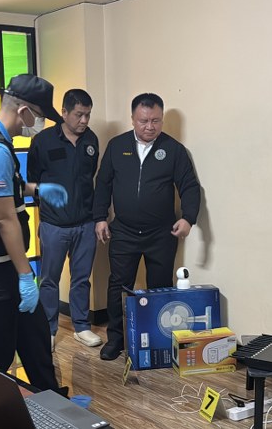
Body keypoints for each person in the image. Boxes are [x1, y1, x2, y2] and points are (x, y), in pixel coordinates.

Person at [0, 74, 68, 394]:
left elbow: (5, 187)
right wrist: (24, 275)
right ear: (24, 112)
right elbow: (4, 218)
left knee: (34, 338)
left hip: (6, 266)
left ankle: (52, 400)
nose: (40, 124)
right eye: (40, 115)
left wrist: (37, 189)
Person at [93, 92, 201, 361]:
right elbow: (103, 183)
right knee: (119, 287)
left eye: (156, 120)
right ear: (132, 119)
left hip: (161, 233)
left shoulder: (174, 150)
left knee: (160, 288)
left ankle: (157, 341)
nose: (150, 126)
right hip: (124, 231)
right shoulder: (117, 146)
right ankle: (116, 340)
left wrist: (188, 218)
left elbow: (189, 186)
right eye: (143, 121)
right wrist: (100, 217)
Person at [27, 89, 102, 350]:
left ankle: (82, 326)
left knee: (82, 279)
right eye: (79, 114)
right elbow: (33, 181)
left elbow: (90, 177)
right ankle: (48, 329)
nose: (84, 120)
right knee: (49, 280)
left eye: (88, 115)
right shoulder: (43, 141)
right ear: (64, 112)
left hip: (85, 223)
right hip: (53, 225)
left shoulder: (91, 140)